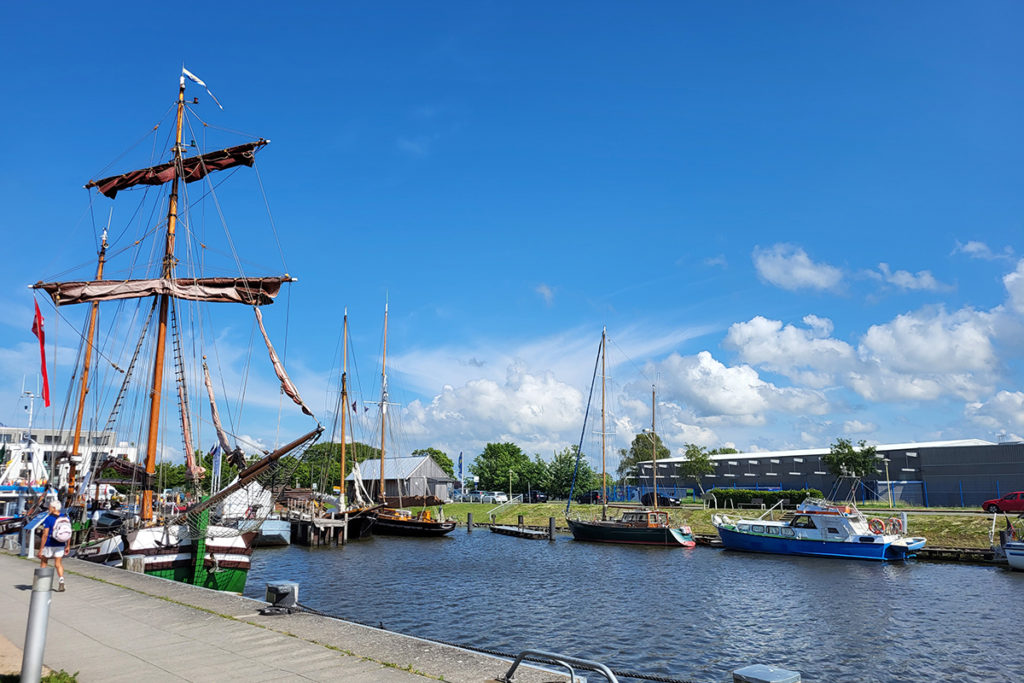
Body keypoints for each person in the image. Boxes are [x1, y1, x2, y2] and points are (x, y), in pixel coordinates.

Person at [39, 499, 71, 592]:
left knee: (44, 561)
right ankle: (61, 580)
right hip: (61, 543)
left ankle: (42, 582)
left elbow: (45, 534)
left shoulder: (49, 518)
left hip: (49, 543)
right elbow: (68, 532)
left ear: (53, 508)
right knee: (58, 564)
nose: (48, 509)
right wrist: (68, 545)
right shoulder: (66, 517)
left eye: (49, 507)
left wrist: (41, 549)